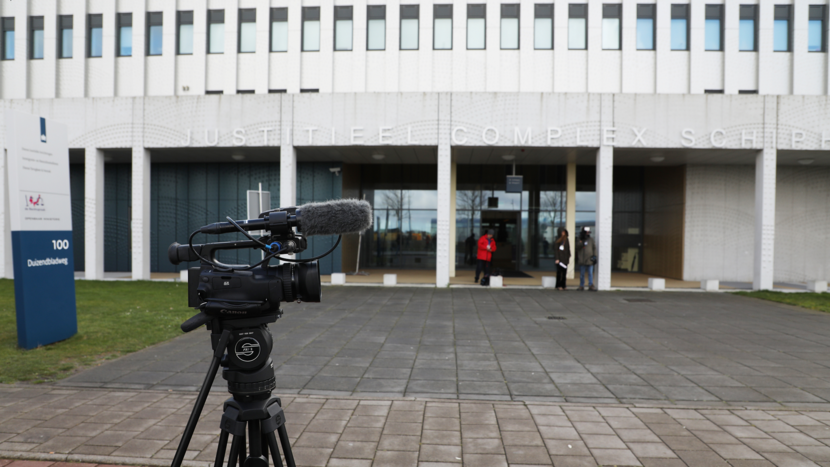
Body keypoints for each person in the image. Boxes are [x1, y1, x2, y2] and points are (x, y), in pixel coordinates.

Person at [576, 226, 596, 291]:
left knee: (590, 273)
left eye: (588, 232)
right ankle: (581, 285)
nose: (587, 233)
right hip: (582, 259)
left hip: (589, 259)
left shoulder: (591, 239)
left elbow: (594, 248)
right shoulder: (579, 239)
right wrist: (582, 242)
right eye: (586, 232)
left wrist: (594, 256)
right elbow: (577, 247)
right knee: (582, 274)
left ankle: (591, 285)